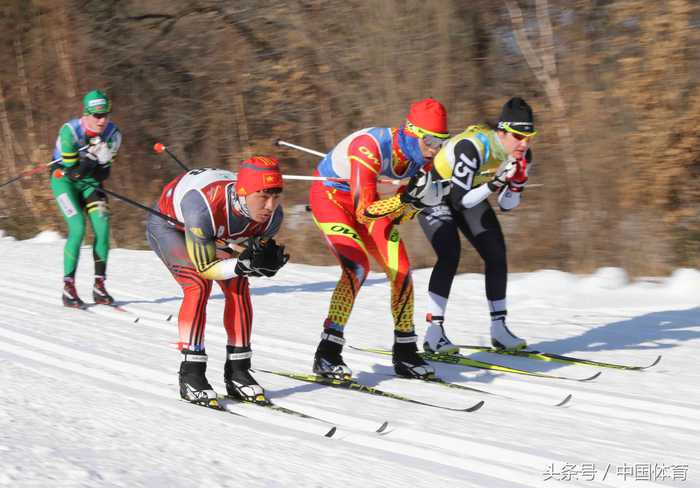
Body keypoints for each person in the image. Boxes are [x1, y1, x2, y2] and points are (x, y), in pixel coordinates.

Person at [309, 98, 451, 380]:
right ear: (411, 132)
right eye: (430, 141)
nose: (434, 149)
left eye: (442, 142)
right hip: (331, 197)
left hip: (370, 203)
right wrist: (409, 196)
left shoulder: (421, 159)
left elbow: (397, 216)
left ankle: (405, 351)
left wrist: (418, 204)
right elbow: (364, 212)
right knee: (357, 266)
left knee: (401, 267)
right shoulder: (370, 147)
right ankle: (327, 352)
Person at [146, 157, 289, 405]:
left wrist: (260, 264)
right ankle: (191, 372)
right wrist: (244, 264)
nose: (270, 205)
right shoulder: (201, 206)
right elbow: (206, 267)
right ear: (243, 192)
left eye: (276, 197)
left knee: (239, 285)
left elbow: (247, 252)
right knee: (198, 285)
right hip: (172, 228)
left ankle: (238, 371)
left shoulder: (273, 216)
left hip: (213, 233)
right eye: (263, 196)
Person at [418, 97, 536, 354]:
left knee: (496, 251)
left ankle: (499, 329)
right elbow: (460, 202)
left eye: (529, 137)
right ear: (502, 132)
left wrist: (516, 183)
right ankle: (434, 332)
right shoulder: (473, 147)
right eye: (518, 136)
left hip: (469, 193)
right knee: (450, 253)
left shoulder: (522, 154)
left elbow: (506, 205)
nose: (524, 144)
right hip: (434, 193)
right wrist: (495, 183)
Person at [51, 90, 122, 308]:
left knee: (102, 227)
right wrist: (92, 159)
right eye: (97, 116)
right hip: (64, 181)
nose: (102, 120)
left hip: (90, 182)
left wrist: (102, 162)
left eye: (106, 115)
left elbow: (104, 175)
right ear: (86, 114)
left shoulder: (113, 135)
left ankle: (99, 286)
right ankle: (68, 286)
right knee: (78, 228)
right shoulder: (70, 133)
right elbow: (73, 173)